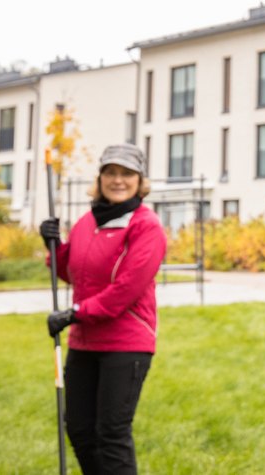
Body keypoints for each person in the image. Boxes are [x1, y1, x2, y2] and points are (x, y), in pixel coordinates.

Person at [40, 143, 166, 475]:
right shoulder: (86, 222)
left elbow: (125, 290)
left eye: (127, 173)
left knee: (111, 435)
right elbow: (72, 273)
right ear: (100, 177)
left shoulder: (146, 225)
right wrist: (54, 247)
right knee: (80, 430)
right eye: (110, 172)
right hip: (85, 341)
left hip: (126, 344)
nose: (118, 180)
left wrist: (73, 314)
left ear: (140, 180)